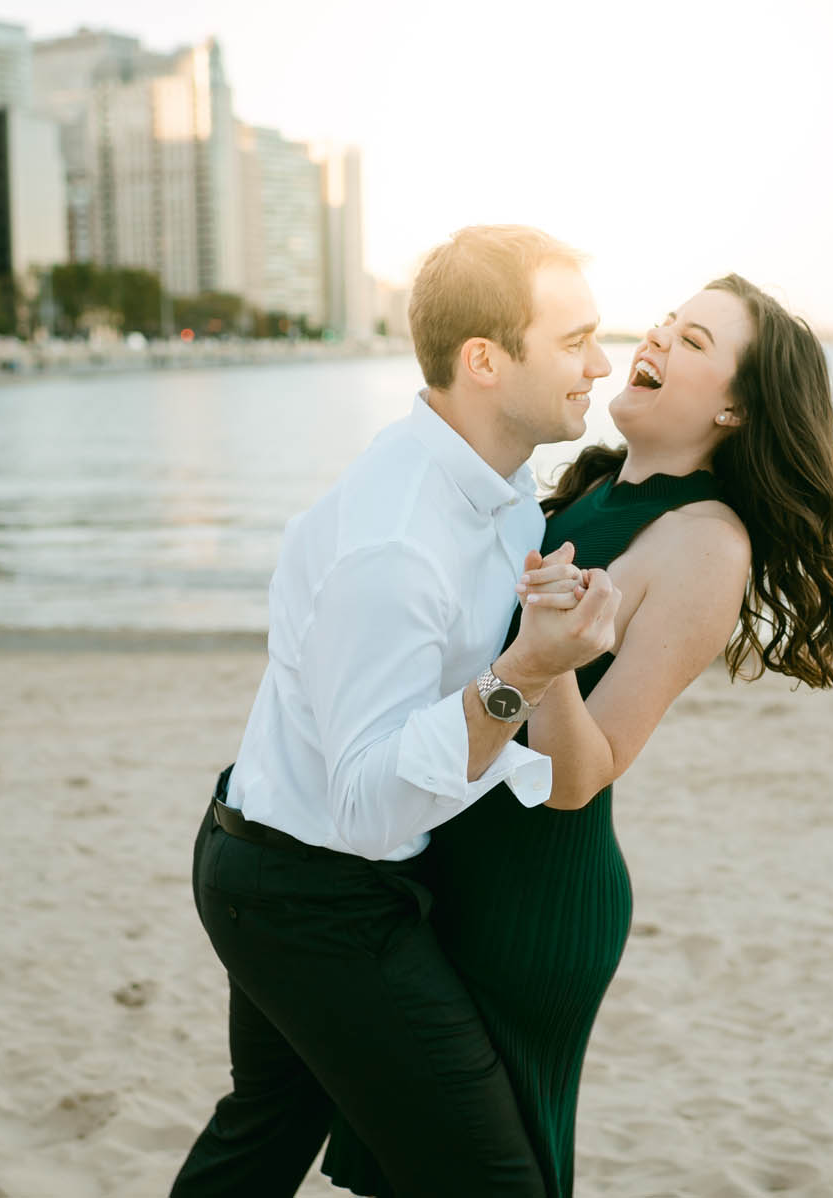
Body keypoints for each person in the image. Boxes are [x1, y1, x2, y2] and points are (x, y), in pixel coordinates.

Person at [321, 275, 833, 1197]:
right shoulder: (594, 489)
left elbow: (583, 775)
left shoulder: (705, 540)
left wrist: (553, 662)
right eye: (666, 323)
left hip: (533, 904)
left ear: (735, 406)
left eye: (694, 342)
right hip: (447, 872)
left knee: (491, 1174)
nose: (656, 338)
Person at [170, 225, 620, 1198]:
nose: (603, 363)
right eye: (576, 338)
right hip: (310, 890)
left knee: (261, 1139)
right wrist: (524, 673)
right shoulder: (397, 543)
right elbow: (370, 801)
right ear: (486, 360)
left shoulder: (493, 483)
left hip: (287, 857)